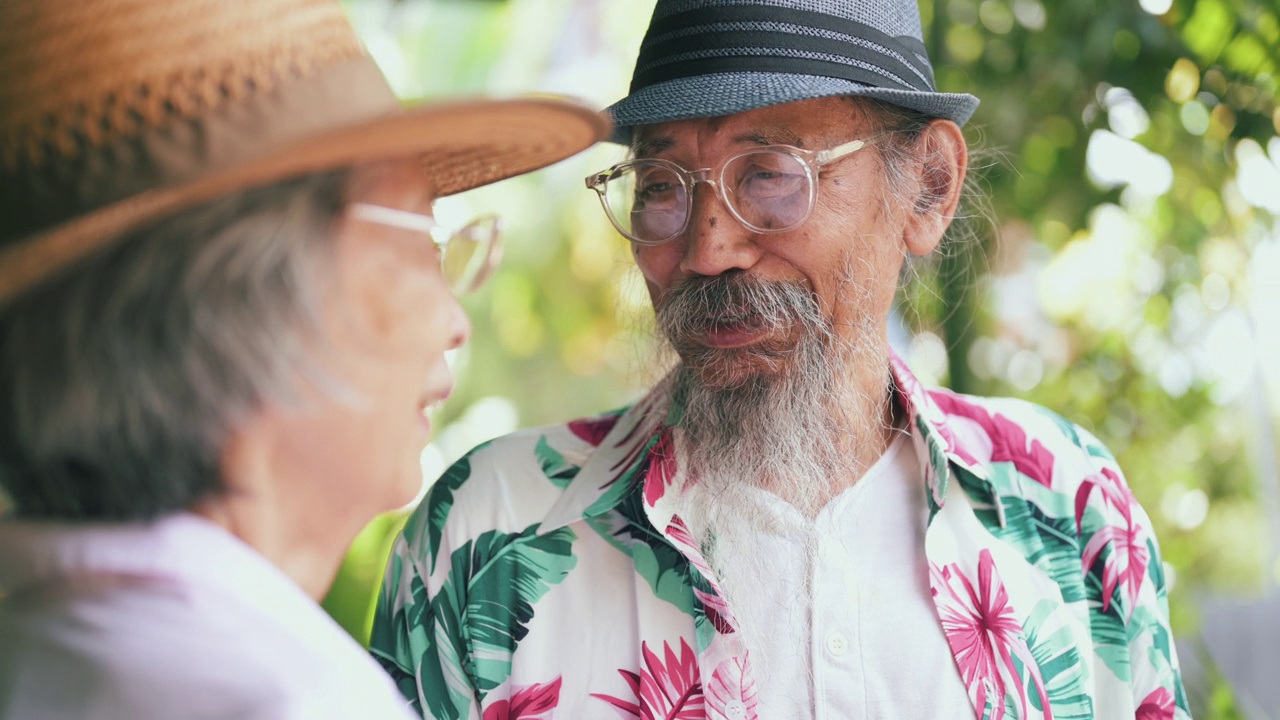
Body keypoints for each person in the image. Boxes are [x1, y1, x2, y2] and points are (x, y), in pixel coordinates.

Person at [370, 0, 1189, 718]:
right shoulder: (485, 537)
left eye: (769, 175)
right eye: (661, 184)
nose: (707, 248)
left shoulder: (1068, 508)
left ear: (929, 187)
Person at [0, 0, 608, 718]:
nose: (454, 322)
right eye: (419, 240)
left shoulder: (37, 643)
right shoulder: (294, 699)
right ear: (237, 298)